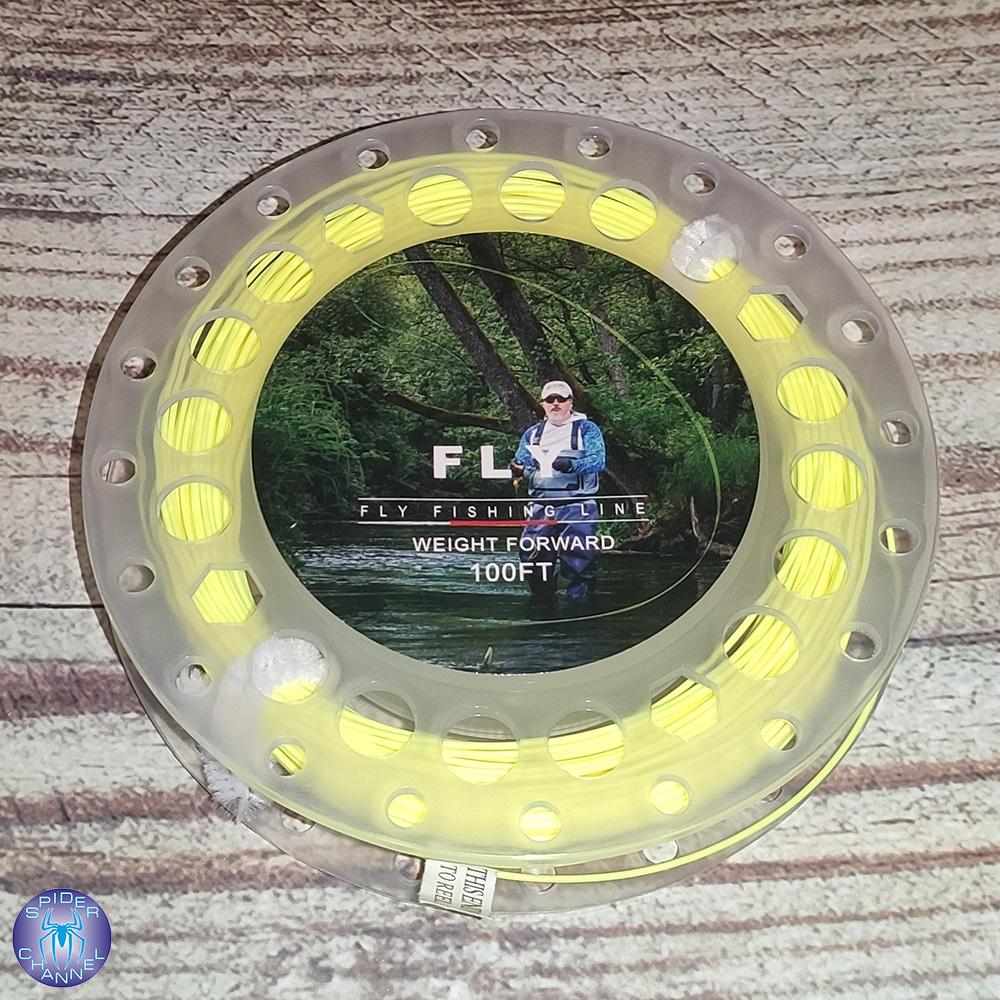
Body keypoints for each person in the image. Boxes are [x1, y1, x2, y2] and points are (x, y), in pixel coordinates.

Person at [510, 380, 606, 604]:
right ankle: (543, 607)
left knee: (580, 563)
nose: (555, 403)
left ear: (570, 403)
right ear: (543, 404)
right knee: (533, 560)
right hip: (540, 507)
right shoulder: (532, 434)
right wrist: (516, 469)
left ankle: (580, 610)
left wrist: (571, 465)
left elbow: (598, 460)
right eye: (550, 399)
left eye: (561, 399)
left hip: (577, 506)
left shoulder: (587, 429)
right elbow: (519, 463)